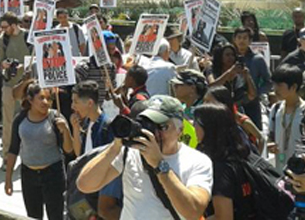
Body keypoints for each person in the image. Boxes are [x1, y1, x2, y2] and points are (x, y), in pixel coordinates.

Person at [79, 95, 212, 219]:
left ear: (180, 130)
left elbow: (193, 211)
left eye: (162, 127)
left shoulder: (198, 161)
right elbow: (85, 185)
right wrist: (115, 148)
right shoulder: (129, 152)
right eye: (149, 125)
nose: (155, 133)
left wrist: (160, 165)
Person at [5, 82, 73, 220]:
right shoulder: (20, 119)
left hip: (53, 175)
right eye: (41, 98)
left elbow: (69, 149)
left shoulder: (56, 118)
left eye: (49, 99)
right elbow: (13, 149)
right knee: (33, 216)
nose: (46, 102)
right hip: (28, 175)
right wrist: (8, 179)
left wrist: (65, 130)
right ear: (30, 100)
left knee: (56, 216)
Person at [193, 103, 259, 219]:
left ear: (209, 128)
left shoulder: (220, 168)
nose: (193, 127)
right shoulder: (243, 154)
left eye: (196, 123)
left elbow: (223, 217)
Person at [0, 12, 32, 158]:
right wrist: (4, 64)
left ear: (14, 25)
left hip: (27, 84)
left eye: (5, 27)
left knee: (28, 118)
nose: (2, 29)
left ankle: (28, 154)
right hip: (9, 83)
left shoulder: (28, 37)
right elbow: (0, 62)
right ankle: (7, 155)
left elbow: (35, 58)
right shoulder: (2, 39)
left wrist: (23, 66)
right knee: (8, 121)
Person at [269, 63, 305, 173]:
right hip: (279, 169)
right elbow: (271, 136)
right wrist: (270, 144)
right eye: (274, 84)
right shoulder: (276, 108)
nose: (275, 89)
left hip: (302, 173)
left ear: (293, 87)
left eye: (279, 85)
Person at [204, 85, 264, 153]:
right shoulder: (214, 121)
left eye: (208, 102)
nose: (205, 105)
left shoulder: (242, 121)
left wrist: (258, 157)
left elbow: (261, 138)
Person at [231, 26, 270, 130]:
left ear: (250, 41)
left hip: (251, 103)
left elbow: (268, 82)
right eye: (239, 37)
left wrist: (256, 93)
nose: (241, 41)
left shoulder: (258, 59)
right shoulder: (228, 57)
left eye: (245, 38)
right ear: (234, 39)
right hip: (232, 103)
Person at [205, 43, 257, 117]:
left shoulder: (239, 73)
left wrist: (247, 76)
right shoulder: (212, 70)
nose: (231, 57)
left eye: (232, 55)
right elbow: (212, 87)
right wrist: (229, 73)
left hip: (235, 111)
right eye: (227, 55)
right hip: (216, 110)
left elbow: (252, 95)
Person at [71, 80, 113, 157]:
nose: (72, 106)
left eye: (76, 102)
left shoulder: (107, 127)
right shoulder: (87, 123)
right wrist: (76, 129)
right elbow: (79, 154)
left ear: (90, 103)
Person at [170, 69, 207, 148]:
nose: (174, 88)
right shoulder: (180, 108)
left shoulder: (203, 111)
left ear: (192, 88)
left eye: (178, 85)